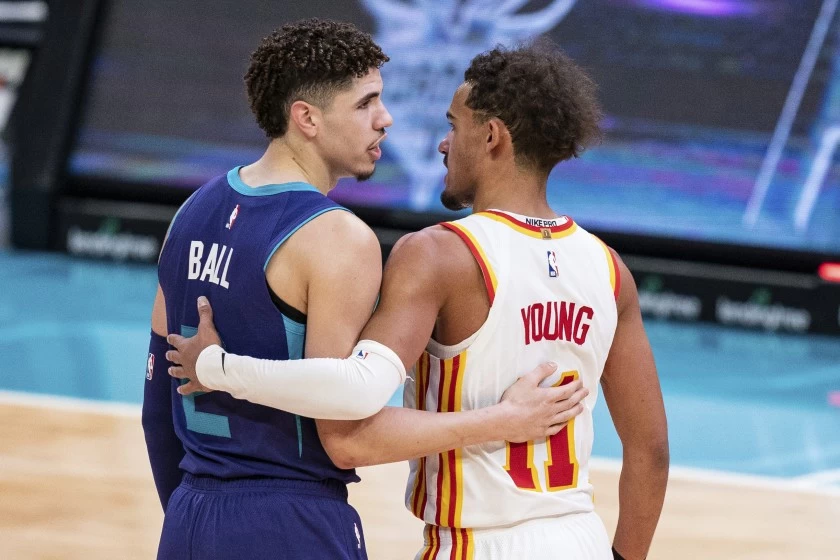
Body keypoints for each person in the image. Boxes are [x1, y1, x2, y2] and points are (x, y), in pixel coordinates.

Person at [169, 39, 669, 560]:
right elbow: (651, 451)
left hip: (474, 544)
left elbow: (349, 434)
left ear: (492, 136)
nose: (443, 144)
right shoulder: (609, 268)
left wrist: (218, 368)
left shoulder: (438, 254)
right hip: (582, 539)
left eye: (454, 126)